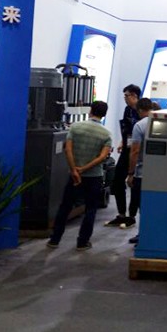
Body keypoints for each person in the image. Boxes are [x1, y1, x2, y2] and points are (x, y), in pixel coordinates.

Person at [47, 101, 112, 251]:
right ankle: (82, 242)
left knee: (65, 207)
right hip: (94, 177)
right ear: (104, 114)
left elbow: (68, 150)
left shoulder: (75, 127)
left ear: (90, 111)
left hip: (75, 177)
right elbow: (102, 157)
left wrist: (75, 170)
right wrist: (84, 169)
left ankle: (55, 239)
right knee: (90, 209)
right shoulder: (106, 134)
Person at [105, 84, 140, 228]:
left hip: (138, 152)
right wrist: (122, 142)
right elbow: (127, 129)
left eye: (126, 96)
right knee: (118, 180)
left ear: (134, 96)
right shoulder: (127, 110)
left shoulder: (141, 111)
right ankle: (121, 214)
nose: (125, 98)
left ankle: (131, 216)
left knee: (134, 183)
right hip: (127, 149)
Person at [125, 99, 159, 244]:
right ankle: (152, 235)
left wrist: (130, 173)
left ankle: (144, 236)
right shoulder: (161, 122)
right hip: (161, 173)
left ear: (139, 110)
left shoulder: (139, 126)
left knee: (143, 206)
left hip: (142, 173)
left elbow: (134, 151)